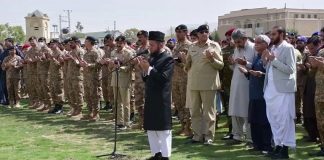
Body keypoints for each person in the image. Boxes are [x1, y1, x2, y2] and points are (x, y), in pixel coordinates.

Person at [185, 24, 224, 145]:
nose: (203, 34)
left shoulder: (214, 46)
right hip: (194, 84)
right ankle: (197, 136)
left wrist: (211, 59)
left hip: (208, 84)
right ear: (197, 34)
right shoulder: (192, 47)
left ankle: (208, 137)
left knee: (209, 112)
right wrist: (184, 62)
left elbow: (220, 65)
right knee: (195, 112)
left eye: (206, 32)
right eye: (201, 32)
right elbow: (187, 66)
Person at [138, 31, 174, 160]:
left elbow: (163, 79)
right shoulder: (151, 58)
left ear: (161, 44)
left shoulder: (168, 59)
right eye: (149, 44)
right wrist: (144, 70)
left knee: (163, 130)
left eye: (152, 45)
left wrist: (149, 69)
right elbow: (147, 79)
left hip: (161, 98)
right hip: (150, 97)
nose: (150, 47)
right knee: (151, 128)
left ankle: (165, 156)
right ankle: (156, 154)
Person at [263, 26, 296, 159]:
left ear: (281, 34)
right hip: (271, 90)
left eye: (274, 34)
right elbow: (270, 68)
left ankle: (285, 150)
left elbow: (290, 70)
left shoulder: (288, 48)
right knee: (274, 120)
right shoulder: (273, 48)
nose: (271, 37)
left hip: (283, 90)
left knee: (284, 120)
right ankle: (278, 146)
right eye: (271, 34)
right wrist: (266, 61)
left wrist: (273, 60)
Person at [238, 35, 272, 154]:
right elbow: (253, 75)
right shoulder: (257, 56)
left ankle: (266, 146)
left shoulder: (268, 56)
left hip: (263, 95)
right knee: (254, 121)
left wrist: (260, 74)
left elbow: (271, 75)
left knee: (264, 121)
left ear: (266, 44)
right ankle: (257, 145)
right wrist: (247, 71)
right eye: (255, 42)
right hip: (254, 94)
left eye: (259, 42)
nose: (256, 44)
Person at [227, 29, 255, 145]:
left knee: (247, 110)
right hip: (236, 82)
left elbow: (258, 65)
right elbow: (235, 68)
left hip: (248, 83)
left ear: (245, 39)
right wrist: (232, 64)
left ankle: (249, 138)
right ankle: (237, 136)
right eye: (236, 42)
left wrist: (246, 64)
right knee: (235, 109)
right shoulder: (236, 49)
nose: (237, 44)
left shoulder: (254, 48)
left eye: (239, 42)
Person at [109, 35, 134, 130]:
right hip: (115, 78)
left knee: (125, 102)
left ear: (124, 43)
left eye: (121, 43)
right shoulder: (113, 52)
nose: (118, 45)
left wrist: (121, 67)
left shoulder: (128, 53)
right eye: (117, 43)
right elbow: (110, 67)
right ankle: (119, 122)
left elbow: (131, 67)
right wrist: (111, 65)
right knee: (117, 101)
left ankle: (126, 122)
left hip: (124, 79)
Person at [172, 24, 192, 137]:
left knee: (185, 103)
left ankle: (188, 127)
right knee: (178, 103)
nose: (178, 34)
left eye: (180, 32)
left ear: (185, 32)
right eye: (177, 32)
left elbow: (190, 63)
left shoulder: (189, 46)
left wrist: (181, 61)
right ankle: (182, 125)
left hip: (185, 77)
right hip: (175, 77)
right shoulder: (176, 46)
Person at [301, 36, 322, 142]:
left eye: (312, 48)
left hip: (317, 88)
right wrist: (305, 67)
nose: (310, 50)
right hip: (308, 86)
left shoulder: (320, 55)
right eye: (308, 48)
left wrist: (313, 66)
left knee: (314, 113)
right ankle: (312, 134)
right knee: (307, 111)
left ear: (318, 45)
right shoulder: (309, 55)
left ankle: (316, 136)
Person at [79, 36, 102, 121]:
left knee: (94, 95)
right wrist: (82, 64)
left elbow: (99, 65)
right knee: (88, 96)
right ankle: (90, 113)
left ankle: (96, 114)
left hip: (93, 78)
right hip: (86, 77)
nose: (84, 42)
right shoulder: (86, 52)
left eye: (86, 41)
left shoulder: (95, 52)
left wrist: (89, 65)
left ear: (90, 42)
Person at [308, 45, 324, 157]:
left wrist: (321, 65)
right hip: (319, 94)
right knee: (320, 124)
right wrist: (313, 66)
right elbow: (311, 74)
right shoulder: (321, 51)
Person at [131, 30, 149, 130]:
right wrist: (134, 61)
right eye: (139, 37)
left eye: (141, 37)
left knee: (147, 102)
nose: (140, 39)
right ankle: (141, 122)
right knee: (138, 102)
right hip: (137, 79)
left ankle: (147, 123)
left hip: (145, 79)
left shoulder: (149, 49)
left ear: (146, 37)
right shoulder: (138, 49)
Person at [220, 28, 235, 140]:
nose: (229, 40)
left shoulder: (242, 49)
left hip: (240, 83)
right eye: (228, 38)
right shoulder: (224, 50)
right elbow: (221, 68)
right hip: (226, 83)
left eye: (231, 38)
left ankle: (240, 131)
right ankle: (231, 130)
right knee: (228, 108)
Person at [66, 36, 84, 119]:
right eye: (69, 43)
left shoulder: (80, 51)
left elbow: (81, 64)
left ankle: (79, 110)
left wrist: (73, 59)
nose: (70, 44)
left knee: (78, 93)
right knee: (71, 93)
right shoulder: (71, 51)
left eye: (72, 43)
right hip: (70, 75)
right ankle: (74, 108)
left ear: (77, 43)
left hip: (77, 76)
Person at [35, 37, 52, 112]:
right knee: (41, 89)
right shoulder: (40, 50)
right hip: (39, 72)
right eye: (39, 41)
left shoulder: (48, 50)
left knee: (46, 89)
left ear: (45, 42)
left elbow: (50, 61)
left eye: (41, 41)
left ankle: (49, 105)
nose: (40, 42)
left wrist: (44, 59)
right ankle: (44, 104)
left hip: (45, 72)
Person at [48, 39, 64, 114]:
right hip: (52, 74)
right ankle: (56, 106)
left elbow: (60, 65)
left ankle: (60, 107)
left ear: (57, 44)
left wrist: (53, 59)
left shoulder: (60, 53)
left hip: (58, 75)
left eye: (52, 44)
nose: (51, 46)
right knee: (53, 91)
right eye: (50, 44)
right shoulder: (52, 52)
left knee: (58, 91)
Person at [100, 34, 115, 112]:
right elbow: (103, 58)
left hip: (114, 72)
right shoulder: (108, 49)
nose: (106, 43)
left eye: (107, 41)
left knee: (113, 91)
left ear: (112, 39)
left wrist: (109, 61)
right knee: (107, 89)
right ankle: (109, 104)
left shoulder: (116, 49)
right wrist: (103, 61)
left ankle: (114, 108)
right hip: (106, 71)